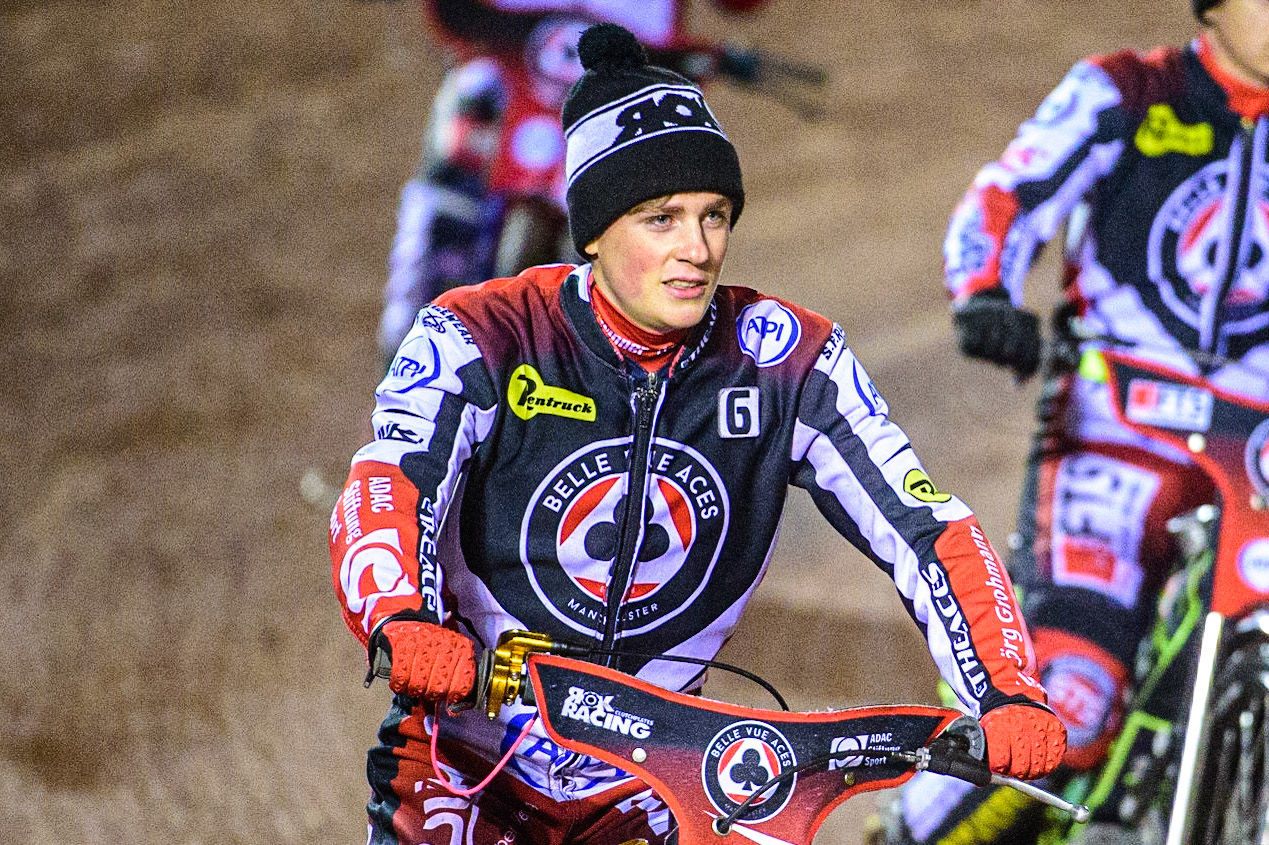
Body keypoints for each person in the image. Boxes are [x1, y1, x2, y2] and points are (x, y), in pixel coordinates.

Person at [331, 23, 1067, 845]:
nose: (697, 249)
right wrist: (401, 617)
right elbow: (392, 483)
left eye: (714, 215)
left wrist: (1005, 686)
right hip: (465, 765)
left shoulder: (787, 359)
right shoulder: (481, 332)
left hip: (657, 782)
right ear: (597, 231)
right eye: (661, 218)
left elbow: (924, 527)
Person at [871, 1, 1269, 842]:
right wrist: (984, 294)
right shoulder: (1126, 91)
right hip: (1118, 424)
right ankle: (909, 833)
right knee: (1069, 700)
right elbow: (1007, 194)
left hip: (1258, 449)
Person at [378, 0, 769, 364]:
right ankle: (408, 334)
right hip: (505, 58)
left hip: (625, 83)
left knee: (631, 234)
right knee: (456, 171)